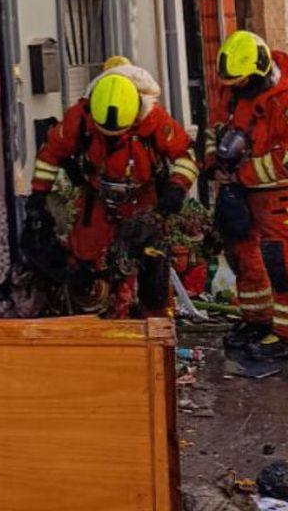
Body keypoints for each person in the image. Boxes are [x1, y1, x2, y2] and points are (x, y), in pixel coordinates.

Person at [20, 57, 199, 318]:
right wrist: (38, 199)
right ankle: (97, 325)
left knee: (153, 266)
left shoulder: (154, 120)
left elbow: (186, 158)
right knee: (85, 267)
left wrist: (173, 194)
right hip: (98, 200)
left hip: (144, 202)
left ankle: (155, 332)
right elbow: (50, 155)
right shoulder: (81, 117)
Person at [206, 30, 288, 362]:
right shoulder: (232, 92)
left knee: (280, 261)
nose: (235, 88)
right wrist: (212, 162)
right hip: (238, 192)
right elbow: (214, 129)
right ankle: (257, 321)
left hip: (273, 196)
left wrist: (243, 172)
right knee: (243, 257)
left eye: (242, 82)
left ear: (261, 71)